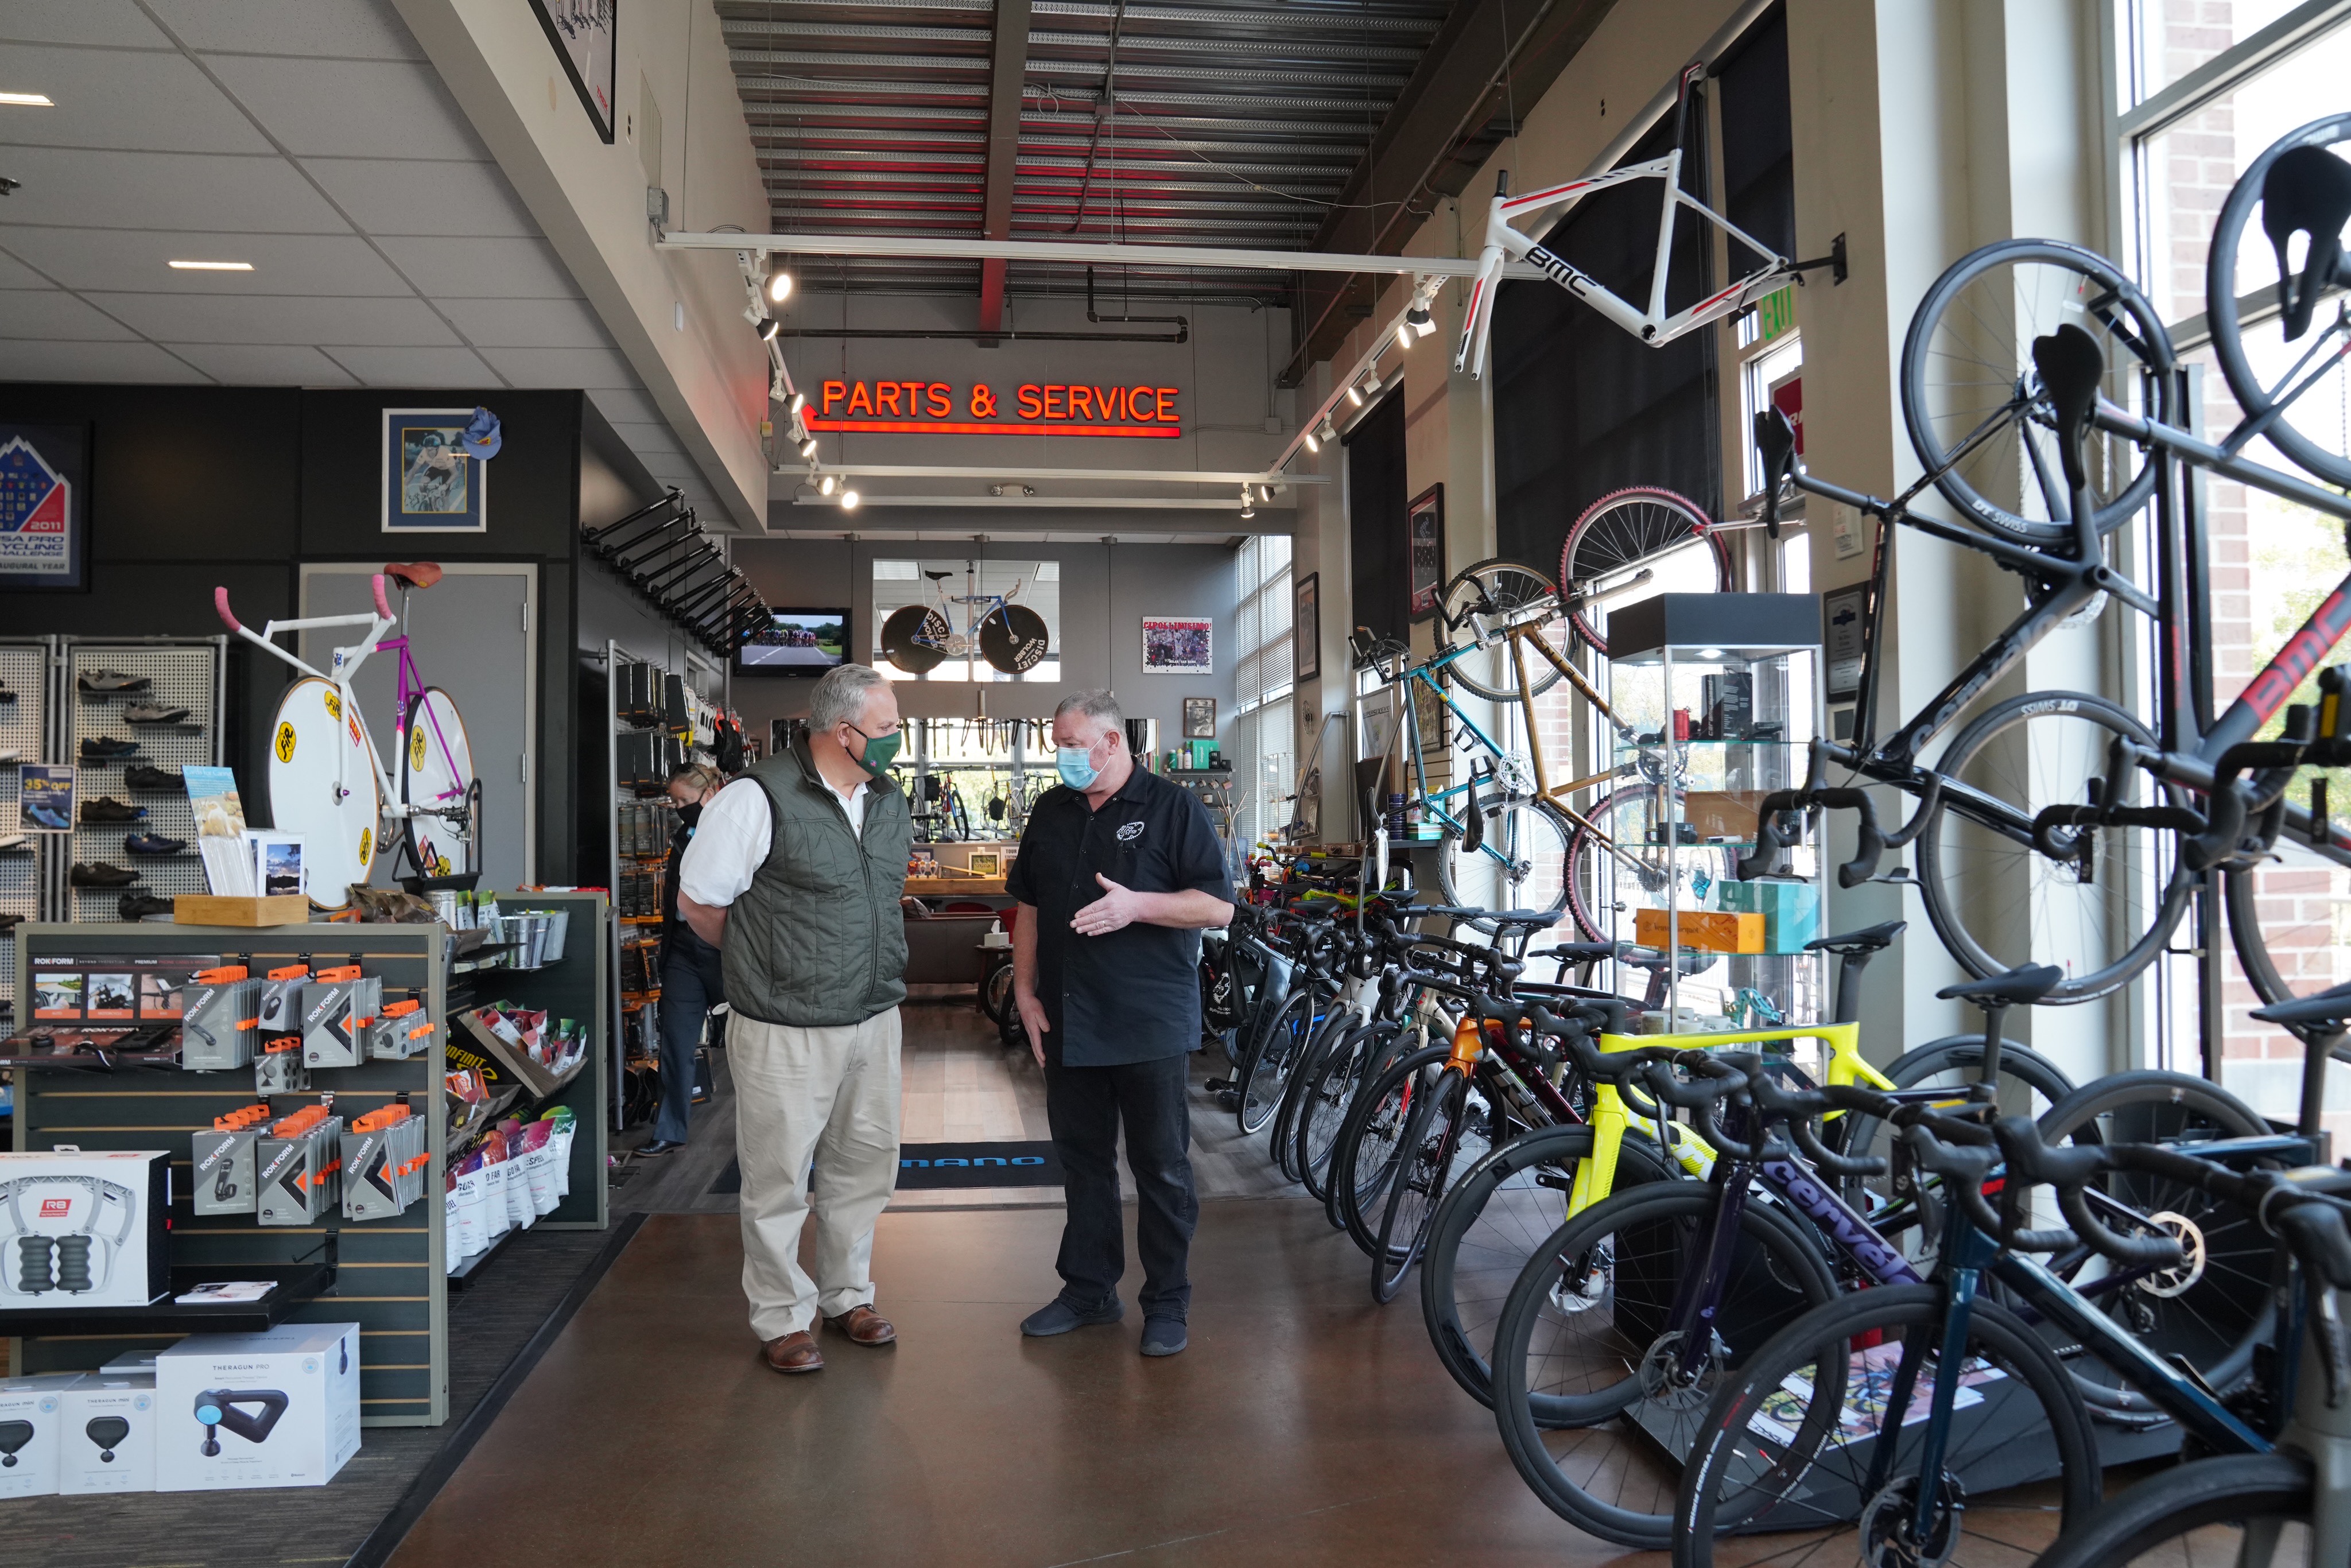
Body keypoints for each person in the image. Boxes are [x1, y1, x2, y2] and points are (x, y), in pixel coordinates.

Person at [676, 663, 914, 1375]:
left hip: (874, 1015)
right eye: (886, 728)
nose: (896, 739)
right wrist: (767, 964)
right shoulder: (755, 797)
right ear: (842, 732)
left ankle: (848, 1295)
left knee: (863, 1166)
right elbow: (699, 903)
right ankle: (782, 1316)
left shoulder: (886, 799)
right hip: (785, 1025)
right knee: (779, 1177)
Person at [1008, 690, 1234, 1357]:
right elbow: (1026, 905)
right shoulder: (1051, 810)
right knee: (1083, 1163)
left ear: (1111, 742)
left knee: (1160, 1166)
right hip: (1068, 1016)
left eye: (1073, 743)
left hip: (1149, 1021)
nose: (1063, 755)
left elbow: (1217, 907)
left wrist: (1139, 906)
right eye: (1059, 743)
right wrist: (1023, 990)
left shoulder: (1172, 807)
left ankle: (1166, 1300)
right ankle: (1088, 1290)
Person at [639, 763, 729, 1157]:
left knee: (752, 1046)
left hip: (725, 952)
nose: (678, 807)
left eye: (684, 800)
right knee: (675, 1040)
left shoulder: (732, 833)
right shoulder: (680, 838)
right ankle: (670, 1129)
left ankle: (766, 1131)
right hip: (682, 953)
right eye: (674, 801)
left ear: (708, 793)